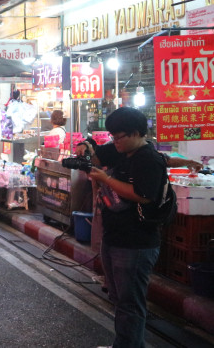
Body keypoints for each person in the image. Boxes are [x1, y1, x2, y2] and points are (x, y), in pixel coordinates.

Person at [74, 107, 170, 348]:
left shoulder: (148, 158)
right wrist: (86, 145)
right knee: (118, 298)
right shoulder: (121, 151)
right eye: (112, 136)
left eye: (118, 137)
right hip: (114, 236)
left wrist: (106, 179)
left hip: (136, 243)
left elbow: (142, 196)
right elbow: (95, 154)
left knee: (130, 304)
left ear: (136, 133)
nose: (114, 142)